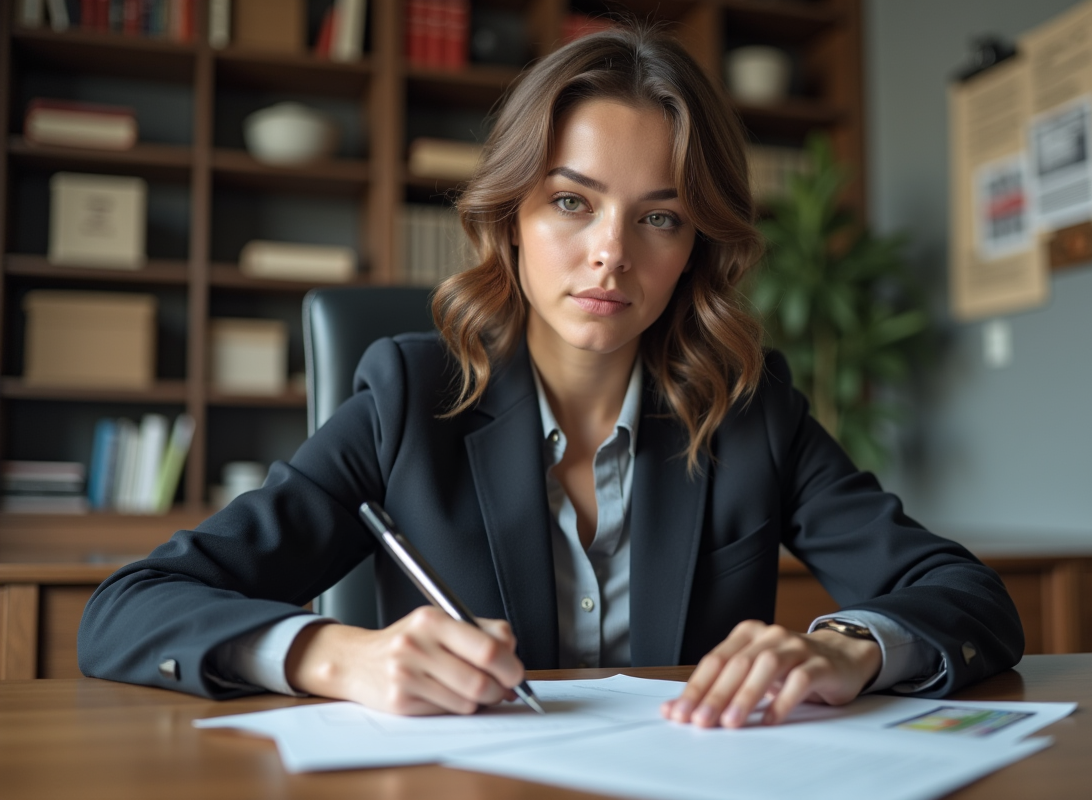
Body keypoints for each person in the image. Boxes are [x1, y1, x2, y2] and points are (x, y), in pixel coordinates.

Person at [78, 27, 1023, 730]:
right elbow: (130, 608)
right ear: (512, 219)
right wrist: (337, 656)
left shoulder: (749, 410)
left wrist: (847, 647)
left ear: (695, 249)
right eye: (572, 202)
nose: (611, 254)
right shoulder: (409, 399)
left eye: (660, 218)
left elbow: (967, 597)